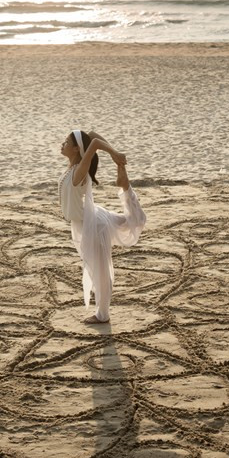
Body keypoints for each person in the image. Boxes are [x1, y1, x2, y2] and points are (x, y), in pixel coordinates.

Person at [59, 129, 146, 324]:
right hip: (91, 217)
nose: (61, 144)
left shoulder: (79, 171)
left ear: (76, 149)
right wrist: (116, 158)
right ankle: (124, 185)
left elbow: (95, 142)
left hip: (93, 225)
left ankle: (102, 315)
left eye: (66, 142)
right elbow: (92, 134)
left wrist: (114, 155)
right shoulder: (72, 168)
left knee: (100, 271)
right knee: (130, 221)